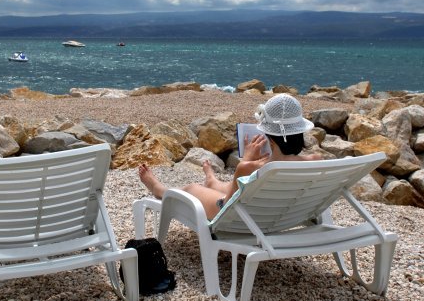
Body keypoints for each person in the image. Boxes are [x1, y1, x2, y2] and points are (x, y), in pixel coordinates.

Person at [138, 93, 323, 220]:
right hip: (281, 218)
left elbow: (228, 203)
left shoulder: (250, 168)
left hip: (238, 220)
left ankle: (159, 189)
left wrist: (247, 159)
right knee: (231, 187)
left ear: (270, 140)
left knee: (192, 188)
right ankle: (211, 181)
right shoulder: (315, 162)